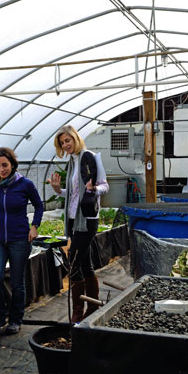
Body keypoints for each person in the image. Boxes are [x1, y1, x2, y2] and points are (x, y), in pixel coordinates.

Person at [47, 125, 109, 323]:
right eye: (62, 143)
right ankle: (92, 305)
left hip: (88, 219)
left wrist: (94, 189)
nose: (66, 145)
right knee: (84, 263)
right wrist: (58, 190)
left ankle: (77, 314)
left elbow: (105, 186)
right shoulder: (73, 163)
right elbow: (73, 195)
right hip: (74, 218)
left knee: (73, 263)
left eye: (68, 140)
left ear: (75, 138)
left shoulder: (89, 157)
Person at [0, 147, 44, 334]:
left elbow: (39, 205)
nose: (2, 169)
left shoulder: (25, 184)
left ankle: (15, 320)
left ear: (12, 164)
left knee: (17, 283)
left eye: (5, 165)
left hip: (20, 238)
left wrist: (34, 226)